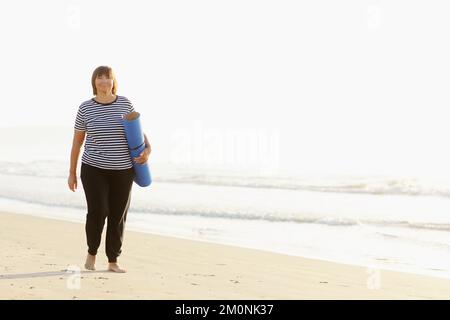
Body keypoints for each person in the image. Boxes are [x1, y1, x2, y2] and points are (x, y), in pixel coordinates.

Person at [67, 66, 151, 273]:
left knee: (118, 214)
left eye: (108, 78)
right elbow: (77, 143)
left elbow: (138, 133)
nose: (104, 81)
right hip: (93, 168)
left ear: (114, 81)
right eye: (100, 78)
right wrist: (72, 172)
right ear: (94, 82)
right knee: (99, 211)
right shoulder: (85, 108)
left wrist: (148, 150)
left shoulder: (125, 103)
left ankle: (113, 260)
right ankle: (91, 253)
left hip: (123, 170)